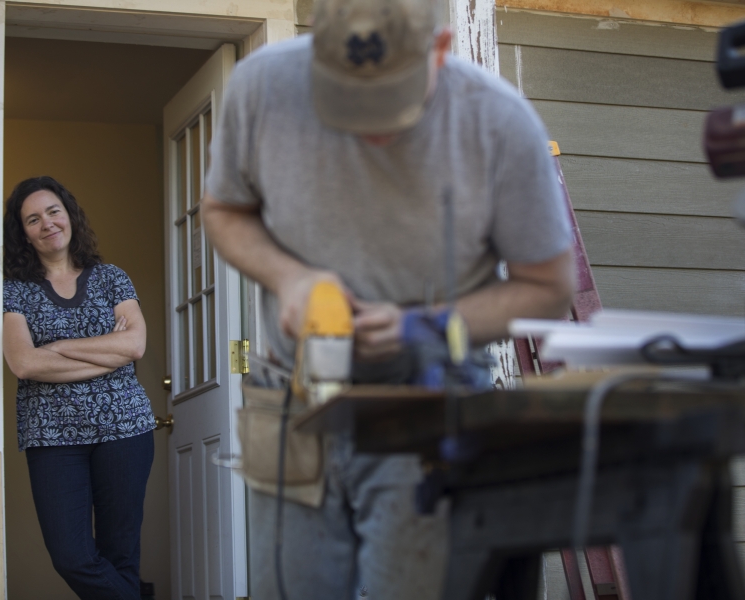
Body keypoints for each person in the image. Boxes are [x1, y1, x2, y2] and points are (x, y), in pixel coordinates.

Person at [203, 0, 577, 597]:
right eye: (347, 100)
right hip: (290, 401)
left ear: (441, 47)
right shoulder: (263, 87)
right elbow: (224, 210)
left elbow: (549, 288)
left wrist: (423, 325)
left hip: (431, 400)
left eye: (391, 101)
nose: (369, 130)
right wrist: (288, 276)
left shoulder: (498, 123)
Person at [2, 176, 156, 600]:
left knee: (120, 554)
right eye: (33, 219)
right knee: (71, 555)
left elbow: (135, 344)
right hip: (51, 437)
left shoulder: (111, 278)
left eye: (53, 211)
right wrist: (107, 352)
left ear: (69, 216)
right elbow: (24, 362)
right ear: (24, 234)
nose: (47, 223)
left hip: (125, 430)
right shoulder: (13, 292)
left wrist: (61, 347)